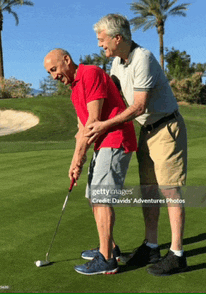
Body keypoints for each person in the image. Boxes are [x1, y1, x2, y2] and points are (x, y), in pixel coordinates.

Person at [86, 14, 188, 276]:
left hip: (166, 127)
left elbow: (138, 106)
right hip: (147, 130)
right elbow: (116, 99)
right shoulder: (117, 64)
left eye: (102, 39)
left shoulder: (143, 58)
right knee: (149, 190)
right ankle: (151, 246)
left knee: (170, 191)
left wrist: (104, 126)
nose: (100, 45)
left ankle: (177, 254)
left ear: (117, 38)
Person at [44, 48, 137, 275]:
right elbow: (81, 129)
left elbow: (94, 121)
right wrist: (75, 161)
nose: (54, 76)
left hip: (114, 138)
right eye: (49, 73)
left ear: (67, 59)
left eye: (55, 69)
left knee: (101, 198)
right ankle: (110, 248)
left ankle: (106, 259)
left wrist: (80, 157)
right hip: (101, 143)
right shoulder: (74, 91)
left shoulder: (90, 73)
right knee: (93, 197)